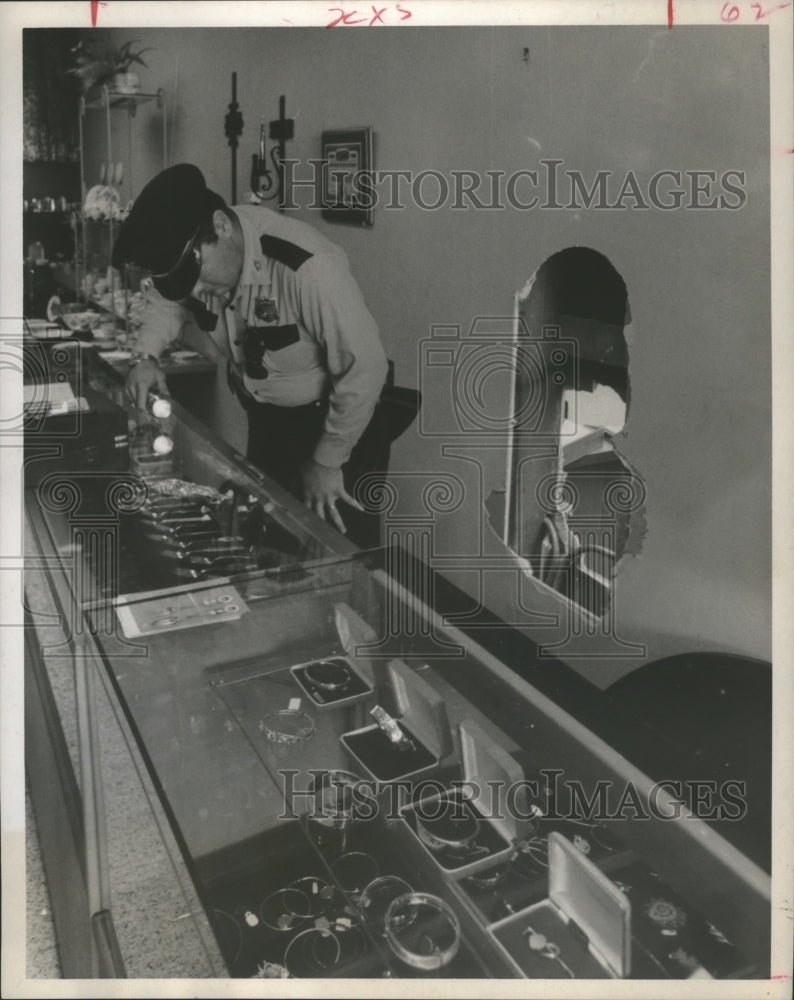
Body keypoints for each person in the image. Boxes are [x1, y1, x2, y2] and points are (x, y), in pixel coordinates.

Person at [112, 163, 389, 541]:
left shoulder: (307, 267)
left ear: (221, 227)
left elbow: (366, 368)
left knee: (337, 549)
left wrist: (327, 460)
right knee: (270, 540)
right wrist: (145, 357)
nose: (194, 295)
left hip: (338, 426)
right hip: (268, 420)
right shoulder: (196, 266)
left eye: (195, 279)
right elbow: (167, 298)